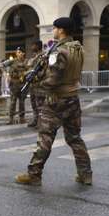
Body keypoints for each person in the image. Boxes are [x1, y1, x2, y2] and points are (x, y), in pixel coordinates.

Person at [16, 18, 92, 186]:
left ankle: (34, 174)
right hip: (73, 98)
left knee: (45, 137)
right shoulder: (78, 48)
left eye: (55, 28)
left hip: (56, 100)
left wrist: (36, 83)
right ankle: (85, 174)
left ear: (61, 30)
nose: (54, 31)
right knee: (75, 138)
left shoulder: (59, 52)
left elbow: (54, 80)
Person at [7, 47, 29, 125]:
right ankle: (11, 118)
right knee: (13, 102)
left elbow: (29, 70)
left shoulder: (26, 62)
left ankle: (22, 118)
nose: (18, 53)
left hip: (22, 84)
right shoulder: (12, 61)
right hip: (14, 84)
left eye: (19, 52)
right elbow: (2, 65)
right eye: (17, 52)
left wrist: (24, 74)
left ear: (23, 53)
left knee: (22, 102)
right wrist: (8, 76)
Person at [26, 41, 45, 128]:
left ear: (37, 46)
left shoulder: (43, 57)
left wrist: (36, 76)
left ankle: (41, 122)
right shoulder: (35, 57)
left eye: (33, 45)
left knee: (40, 105)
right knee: (34, 103)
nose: (31, 47)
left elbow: (44, 70)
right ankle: (35, 119)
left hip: (40, 85)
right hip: (33, 85)